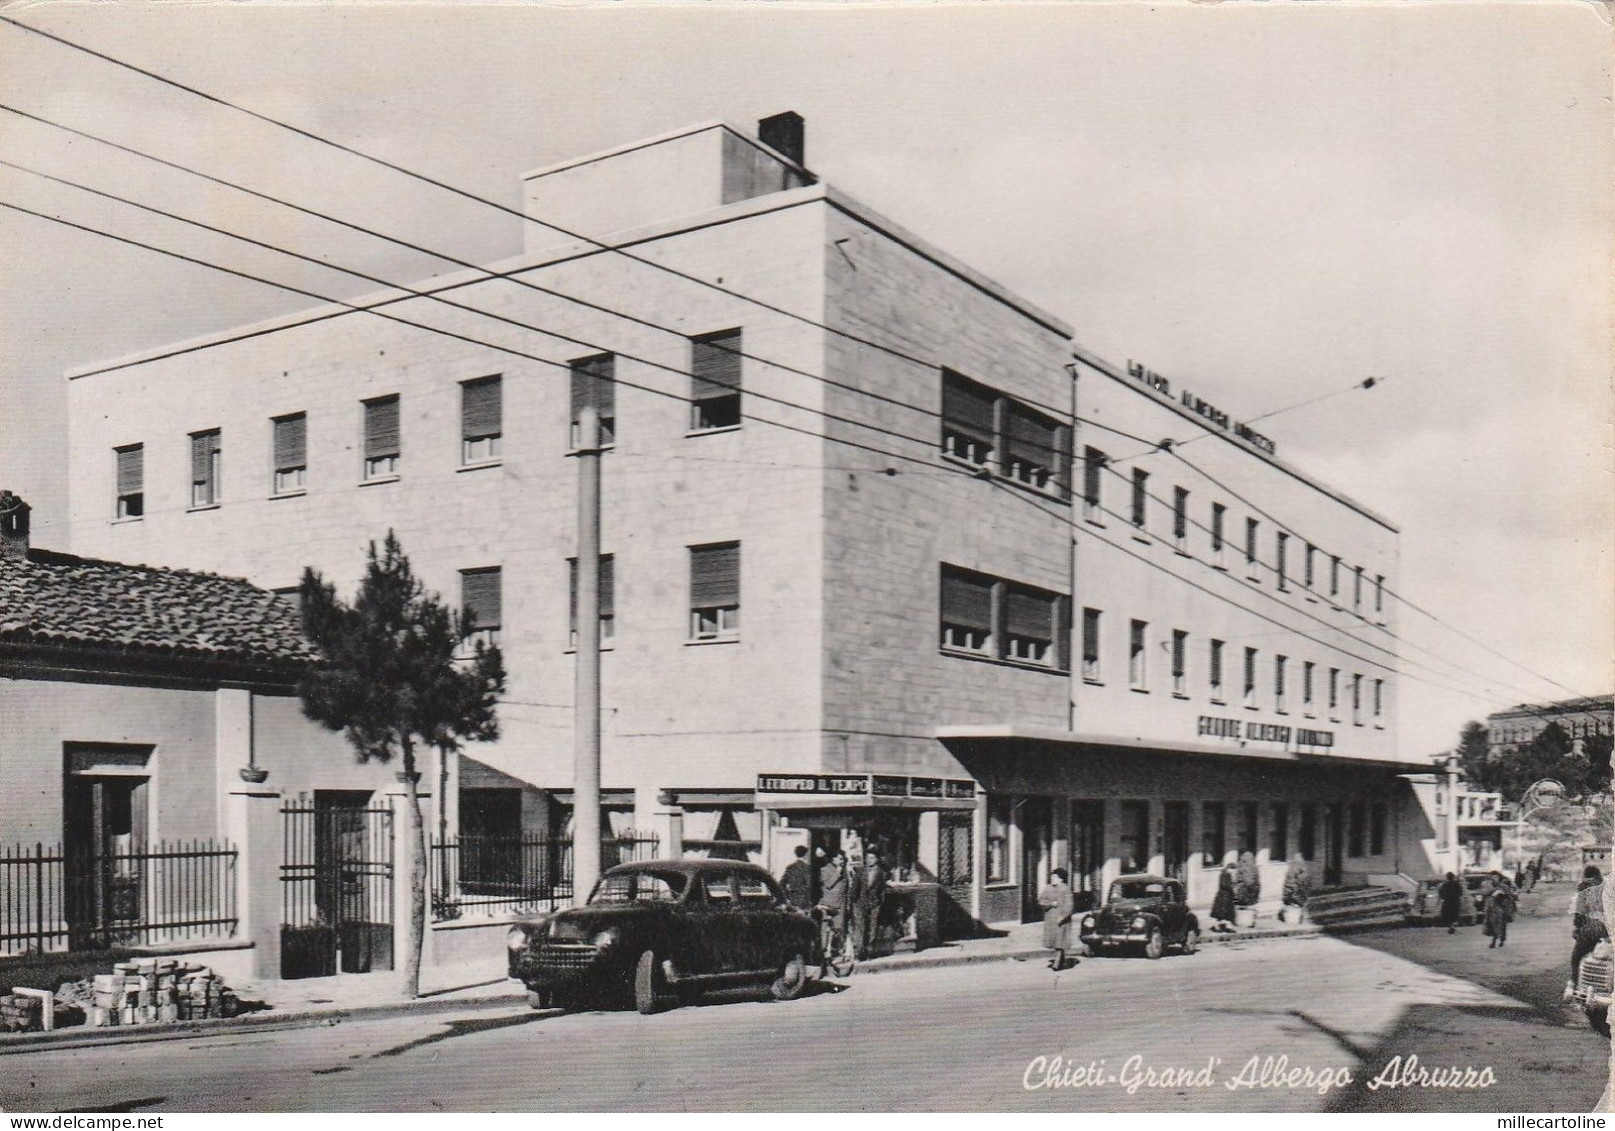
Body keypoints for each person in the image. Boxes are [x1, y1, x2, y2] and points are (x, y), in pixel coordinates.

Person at [1565, 866, 1609, 999]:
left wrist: (1577, 929)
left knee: (1576, 956)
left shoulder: (1583, 886)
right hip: (1608, 931)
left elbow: (1579, 913)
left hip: (1591, 930)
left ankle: (1574, 982)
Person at [850, 850, 888, 960]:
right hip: (860, 903)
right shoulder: (860, 871)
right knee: (860, 927)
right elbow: (854, 888)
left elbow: (882, 889)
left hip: (874, 904)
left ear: (876, 860)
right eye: (867, 858)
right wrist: (854, 901)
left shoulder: (881, 873)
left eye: (872, 858)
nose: (869, 860)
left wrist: (880, 901)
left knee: (873, 928)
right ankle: (859, 952)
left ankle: (870, 951)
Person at [1038, 867, 1076, 971]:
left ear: (1061, 879)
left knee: (1060, 940)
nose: (1052, 878)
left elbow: (1069, 905)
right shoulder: (1048, 888)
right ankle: (1061, 958)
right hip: (1050, 918)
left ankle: (1057, 962)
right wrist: (1050, 904)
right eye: (1052, 876)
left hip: (1061, 919)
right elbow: (1041, 900)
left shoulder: (1065, 889)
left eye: (1055, 877)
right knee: (1055, 941)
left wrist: (1063, 916)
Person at [816, 850, 849, 967]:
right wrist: (838, 873)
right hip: (828, 905)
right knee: (825, 931)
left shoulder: (845, 871)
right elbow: (828, 884)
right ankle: (823, 956)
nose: (841, 861)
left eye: (842, 859)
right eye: (839, 859)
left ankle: (838, 954)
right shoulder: (825, 869)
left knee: (839, 930)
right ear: (833, 859)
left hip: (841, 905)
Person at [1483, 870, 1515, 948]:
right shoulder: (1491, 887)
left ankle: (1501, 940)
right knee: (1494, 925)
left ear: (1499, 877)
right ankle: (1494, 941)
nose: (1494, 878)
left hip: (1502, 909)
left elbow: (1509, 897)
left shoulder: (1504, 886)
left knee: (1501, 925)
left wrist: (1501, 895)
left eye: (1495, 877)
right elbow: (1486, 894)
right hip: (1493, 909)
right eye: (1493, 877)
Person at [779, 844, 813, 910]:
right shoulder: (807, 868)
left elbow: (781, 884)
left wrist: (787, 896)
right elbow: (809, 885)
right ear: (805, 855)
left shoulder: (790, 868)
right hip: (804, 901)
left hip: (792, 900)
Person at [1210, 863, 1238, 933]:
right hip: (1223, 897)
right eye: (1233, 870)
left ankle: (1227, 926)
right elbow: (1225, 885)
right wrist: (1233, 885)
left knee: (1227, 913)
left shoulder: (1226, 874)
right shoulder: (1225, 874)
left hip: (1227, 897)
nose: (1234, 872)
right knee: (1222, 913)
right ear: (1229, 869)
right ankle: (1217, 926)